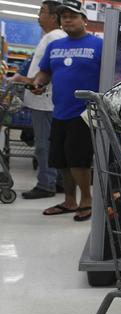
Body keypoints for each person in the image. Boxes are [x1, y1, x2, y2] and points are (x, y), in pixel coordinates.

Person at [31, 0, 102, 221]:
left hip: (84, 113)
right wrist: (38, 83)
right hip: (59, 111)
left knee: (79, 160)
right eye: (64, 17)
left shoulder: (99, 45)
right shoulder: (55, 46)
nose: (68, 20)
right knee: (61, 160)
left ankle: (86, 200)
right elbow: (45, 72)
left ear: (84, 20)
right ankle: (70, 200)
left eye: (73, 16)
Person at [9, 0, 67, 199]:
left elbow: (47, 71)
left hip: (44, 100)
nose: (38, 15)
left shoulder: (54, 37)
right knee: (51, 142)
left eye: (42, 11)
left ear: (53, 17)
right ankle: (57, 182)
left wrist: (20, 79)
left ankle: (46, 184)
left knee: (44, 144)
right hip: (44, 99)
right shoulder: (51, 37)